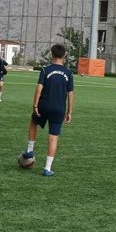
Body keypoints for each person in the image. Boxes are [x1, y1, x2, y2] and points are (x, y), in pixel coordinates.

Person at [22, 43, 75, 176]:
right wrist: (69, 111)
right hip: (59, 109)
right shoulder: (68, 73)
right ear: (65, 56)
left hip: (44, 105)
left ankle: (30, 150)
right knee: (53, 138)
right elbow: (70, 94)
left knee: (34, 123)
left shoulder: (45, 70)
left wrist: (35, 105)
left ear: (51, 54)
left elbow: (39, 87)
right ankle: (47, 168)